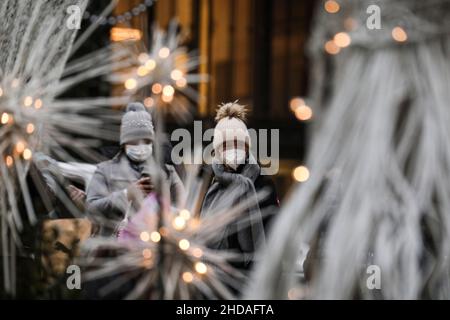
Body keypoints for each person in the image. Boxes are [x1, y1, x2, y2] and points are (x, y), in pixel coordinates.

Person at [86, 102, 185, 237]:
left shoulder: (167, 172)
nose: (141, 146)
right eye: (134, 141)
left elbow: (184, 208)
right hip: (116, 248)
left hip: (154, 248)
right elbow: (91, 207)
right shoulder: (105, 170)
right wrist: (126, 194)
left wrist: (160, 209)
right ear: (124, 143)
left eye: (146, 141)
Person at [201, 102, 279, 272]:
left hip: (252, 276)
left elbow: (274, 234)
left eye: (238, 144)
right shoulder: (212, 184)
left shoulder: (264, 184)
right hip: (217, 276)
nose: (233, 150)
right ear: (218, 150)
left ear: (247, 146)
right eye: (227, 145)